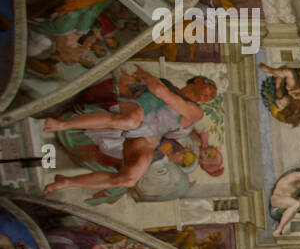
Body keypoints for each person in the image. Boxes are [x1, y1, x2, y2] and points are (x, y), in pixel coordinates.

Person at [43, 67, 217, 197]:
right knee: (129, 121)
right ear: (197, 81)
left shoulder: (196, 111)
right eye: (210, 90)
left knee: (128, 179)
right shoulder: (165, 84)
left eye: (211, 97)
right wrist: (141, 79)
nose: (209, 97)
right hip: (139, 110)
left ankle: (66, 182)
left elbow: (162, 95)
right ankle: (62, 124)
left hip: (150, 134)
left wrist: (148, 77)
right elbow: (154, 90)